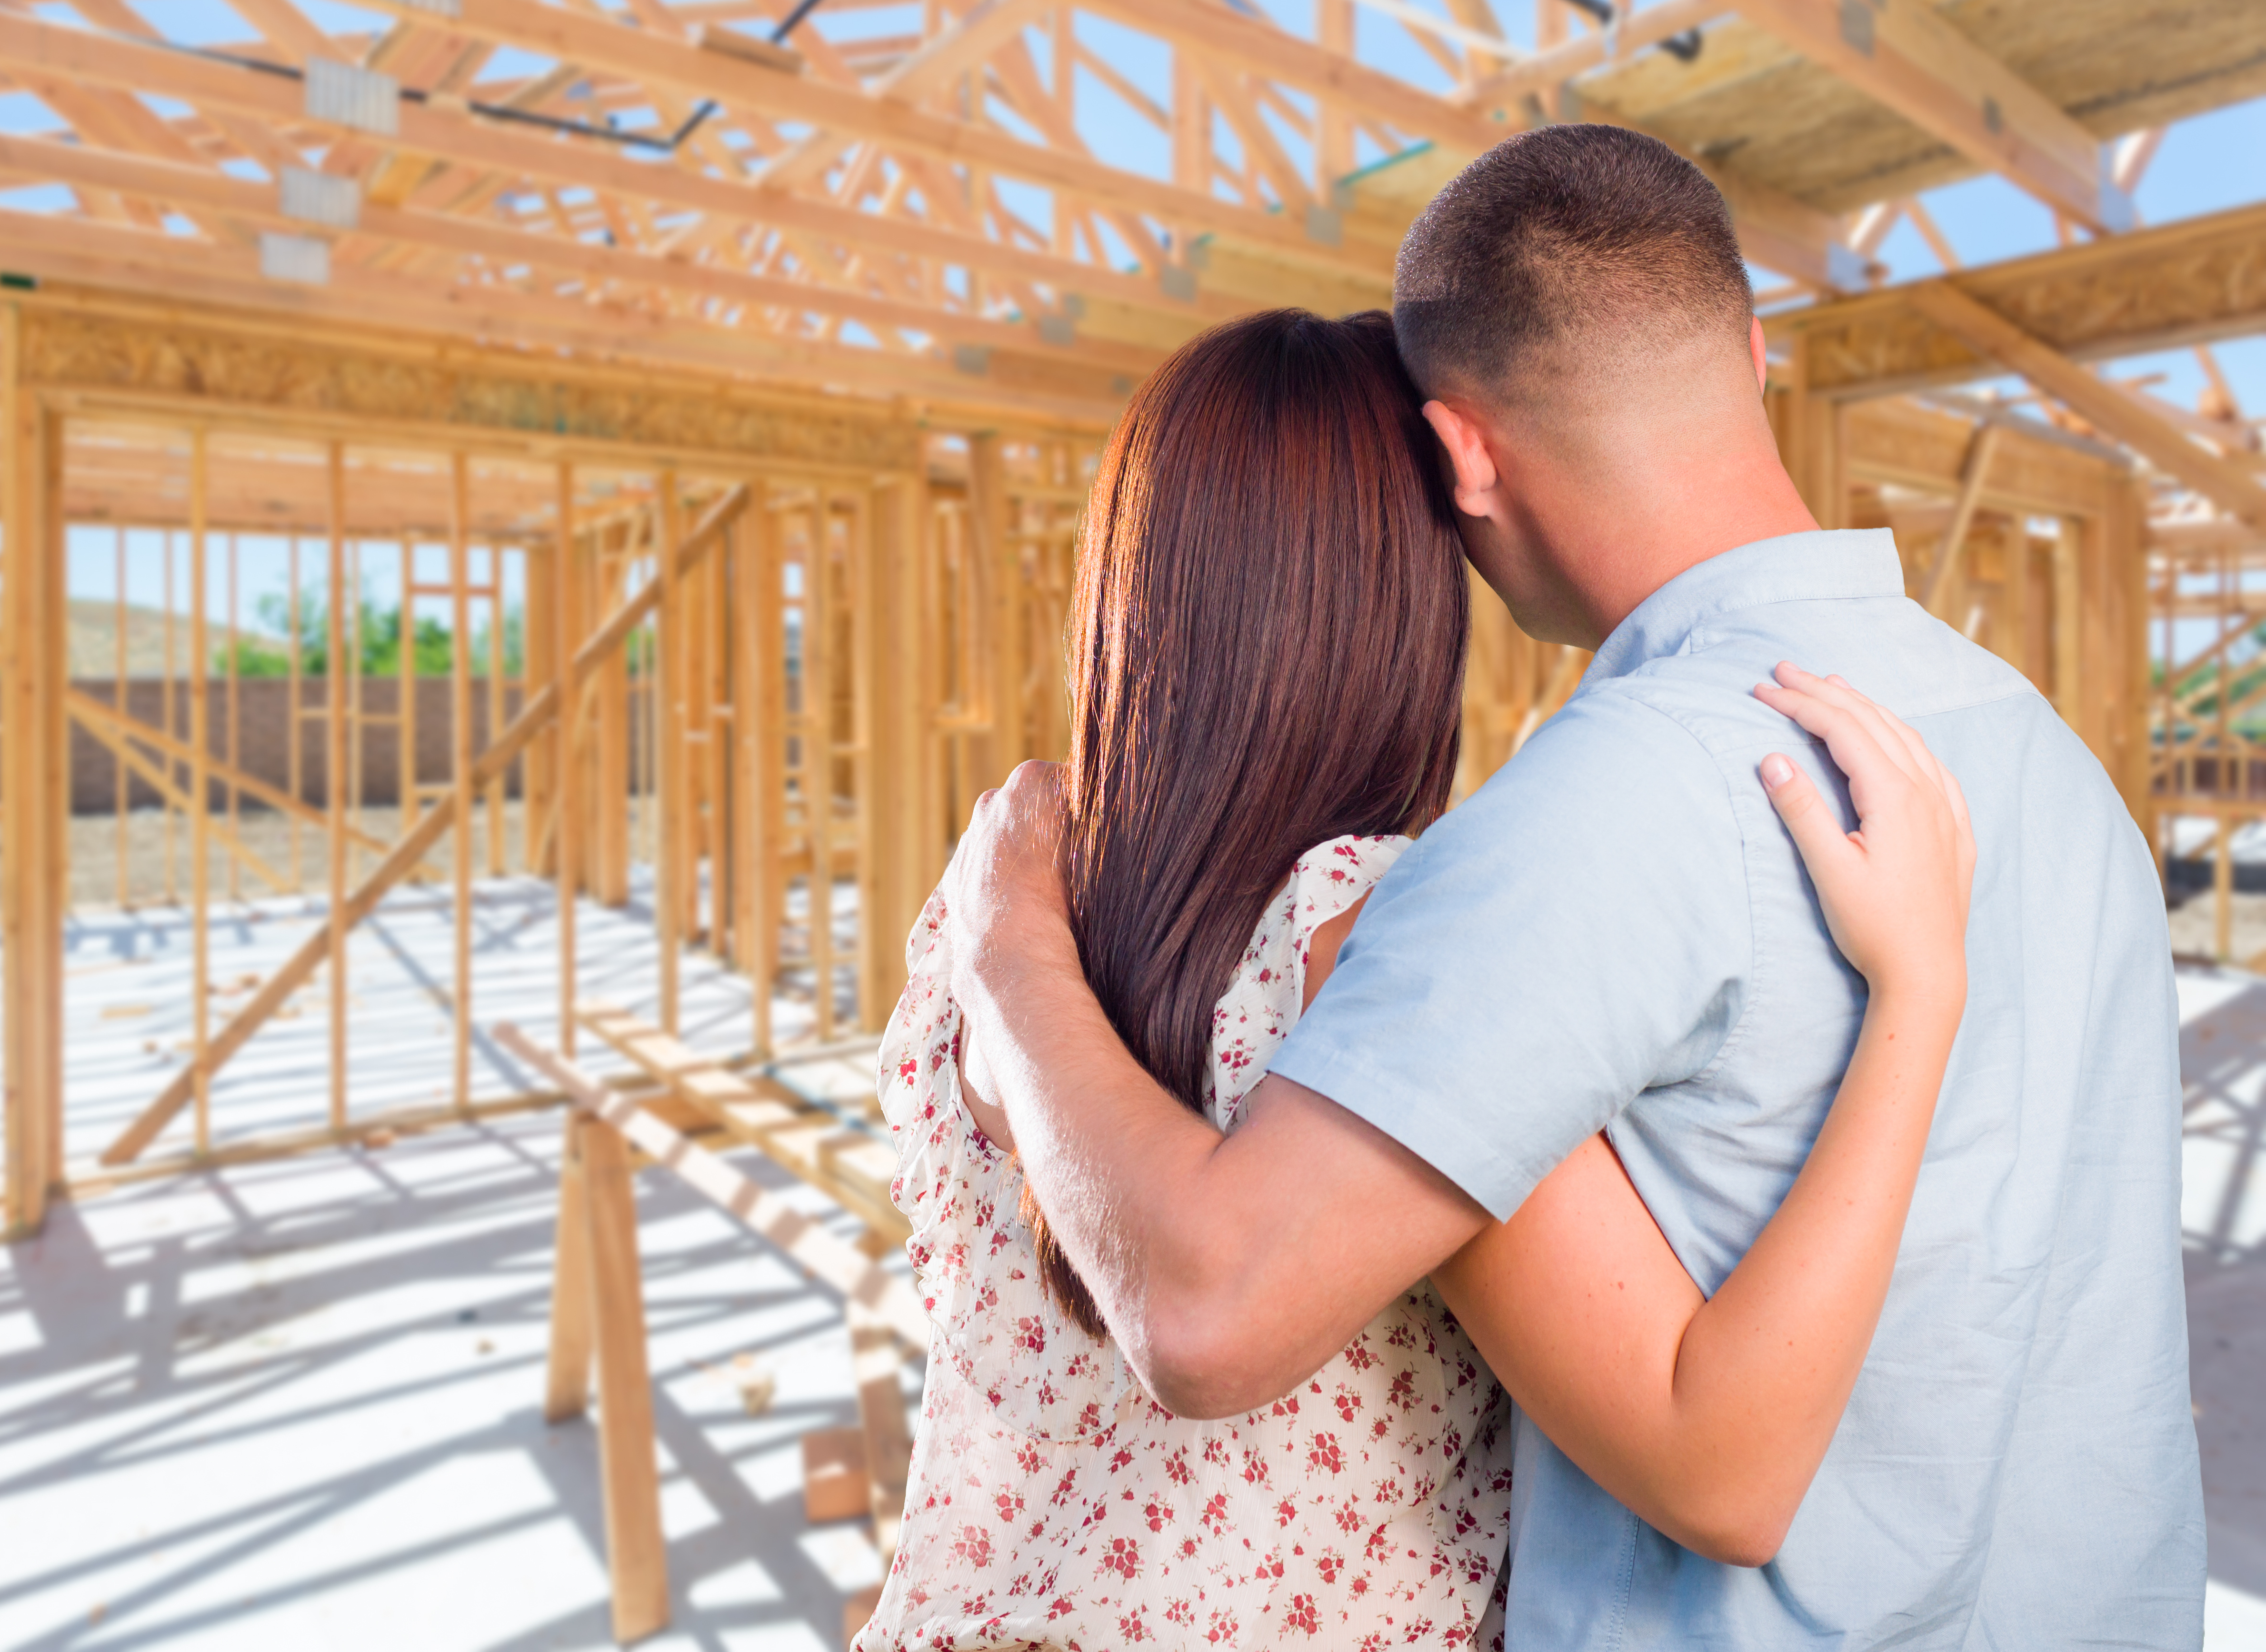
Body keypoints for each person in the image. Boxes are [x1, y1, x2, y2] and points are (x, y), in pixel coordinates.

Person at [938, 126, 2205, 1648]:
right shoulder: (2045, 760)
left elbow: (1210, 1313)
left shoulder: (1584, 820)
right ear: (1750, 349)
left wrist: (1009, 948)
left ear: (1461, 453)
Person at [863, 303, 1977, 1652]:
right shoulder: (1370, 940)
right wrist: (1920, 992)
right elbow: (1718, 1466)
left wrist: (1007, 945)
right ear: (1401, 600)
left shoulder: (991, 906)